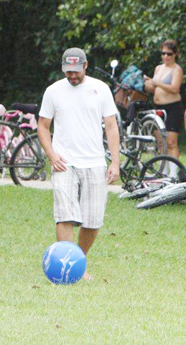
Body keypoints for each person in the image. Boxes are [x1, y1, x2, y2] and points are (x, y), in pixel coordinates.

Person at [37, 47, 120, 281]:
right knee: (64, 215)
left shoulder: (100, 89)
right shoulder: (53, 91)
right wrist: (52, 155)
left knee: (92, 222)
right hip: (64, 162)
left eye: (76, 71)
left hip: (94, 162)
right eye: (67, 72)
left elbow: (111, 126)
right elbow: (43, 127)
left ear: (85, 66)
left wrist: (115, 161)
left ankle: (76, 263)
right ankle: (68, 266)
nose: (72, 76)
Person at [144, 39, 184, 165]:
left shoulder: (177, 69)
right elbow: (154, 88)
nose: (165, 56)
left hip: (172, 107)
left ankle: (173, 171)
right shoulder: (158, 68)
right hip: (158, 107)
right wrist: (147, 84)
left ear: (175, 54)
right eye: (163, 53)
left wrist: (157, 83)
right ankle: (163, 170)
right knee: (160, 141)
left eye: (169, 54)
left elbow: (174, 88)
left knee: (171, 142)